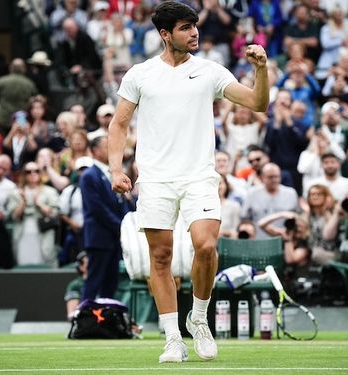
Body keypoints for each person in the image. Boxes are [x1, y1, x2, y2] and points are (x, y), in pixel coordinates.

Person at [108, 1, 268, 363]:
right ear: (165, 34)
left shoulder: (210, 71)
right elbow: (118, 124)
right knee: (160, 258)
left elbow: (257, 103)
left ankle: (199, 318)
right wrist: (116, 169)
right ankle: (171, 338)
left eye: (194, 25)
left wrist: (262, 70)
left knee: (206, 246)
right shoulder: (139, 74)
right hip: (156, 180)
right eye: (184, 27)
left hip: (199, 176)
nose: (194, 32)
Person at [80, 136, 132, 300]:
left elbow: (120, 203)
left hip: (115, 237)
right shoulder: (89, 175)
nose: (110, 149)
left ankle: (106, 319)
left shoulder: (114, 174)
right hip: (99, 237)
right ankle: (83, 319)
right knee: (94, 280)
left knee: (111, 282)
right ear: (94, 151)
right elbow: (97, 209)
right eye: (105, 146)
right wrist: (121, 226)